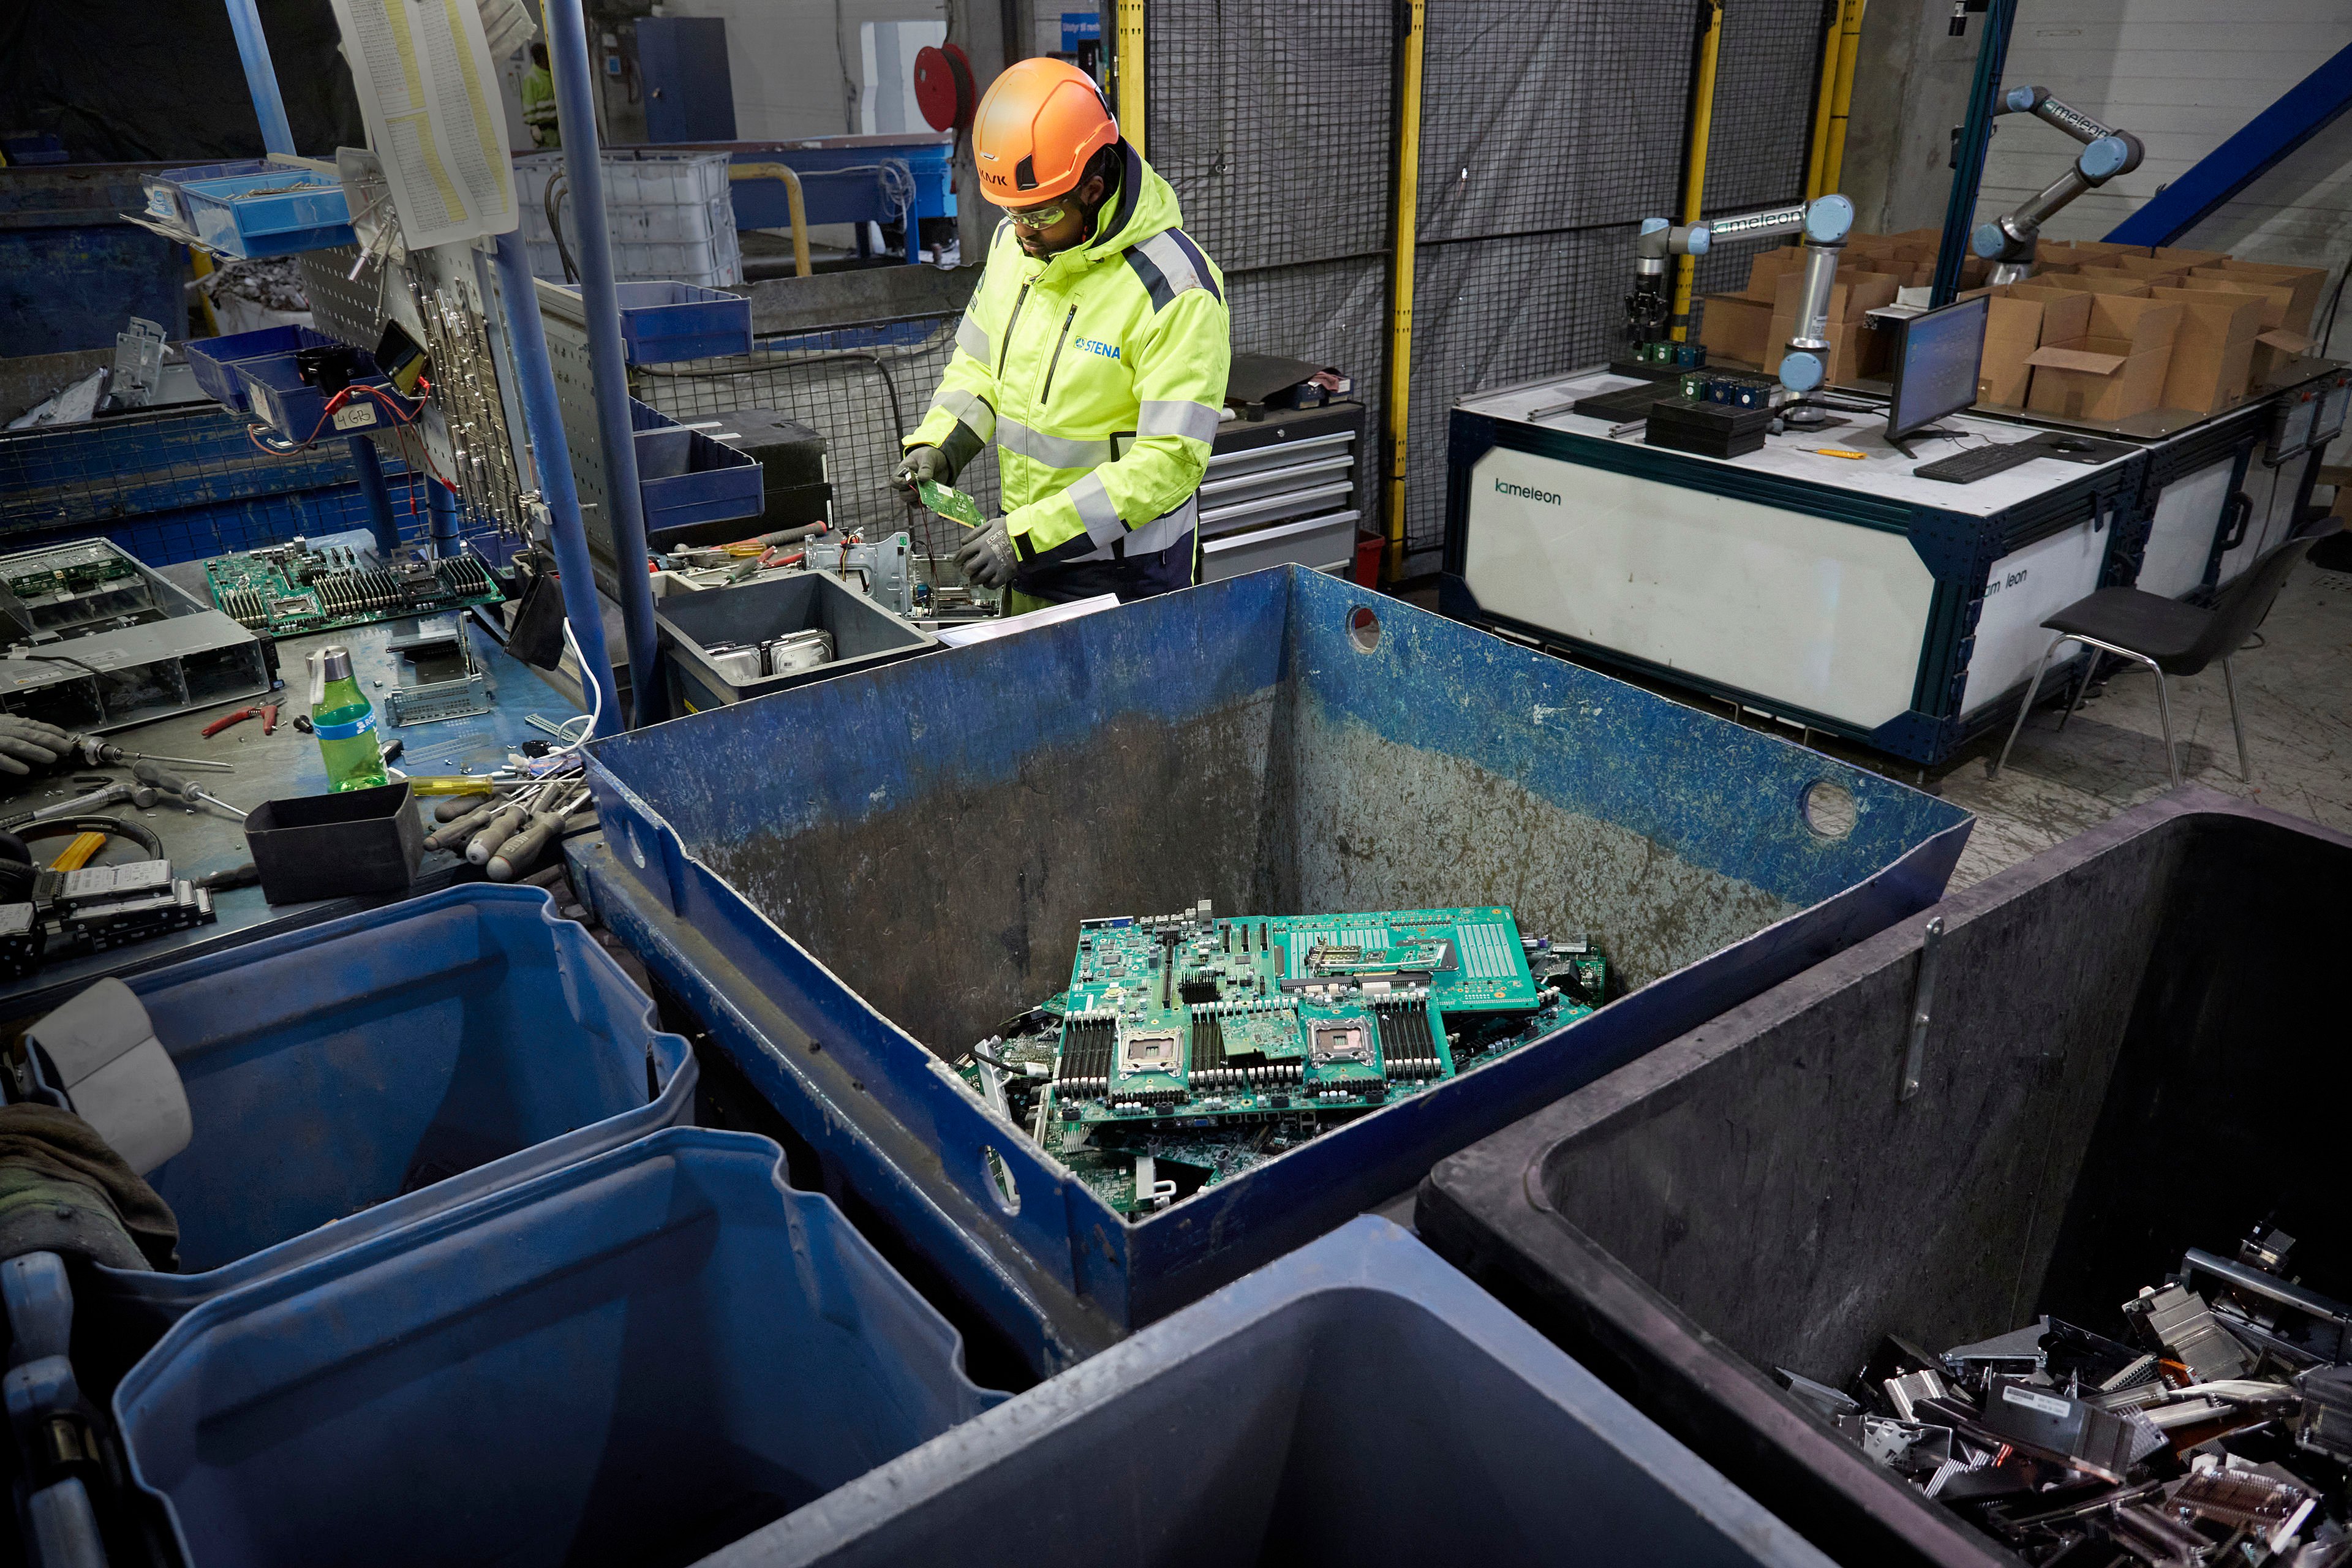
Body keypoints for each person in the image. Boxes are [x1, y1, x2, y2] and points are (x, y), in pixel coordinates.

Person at [895, 57, 1230, 612]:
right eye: (1011, 211)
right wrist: (940, 443)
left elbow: (1169, 462)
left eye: (1041, 214)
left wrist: (1026, 536)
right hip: (1026, 562)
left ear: (1093, 189)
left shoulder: (1176, 291)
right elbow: (980, 365)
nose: (1022, 231)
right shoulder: (1015, 248)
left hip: (1128, 582)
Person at [522, 42, 559, 149]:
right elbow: (528, 104)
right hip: (542, 130)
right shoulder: (532, 77)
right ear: (541, 58)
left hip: (555, 127)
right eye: (547, 56)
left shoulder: (550, 75)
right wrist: (534, 127)